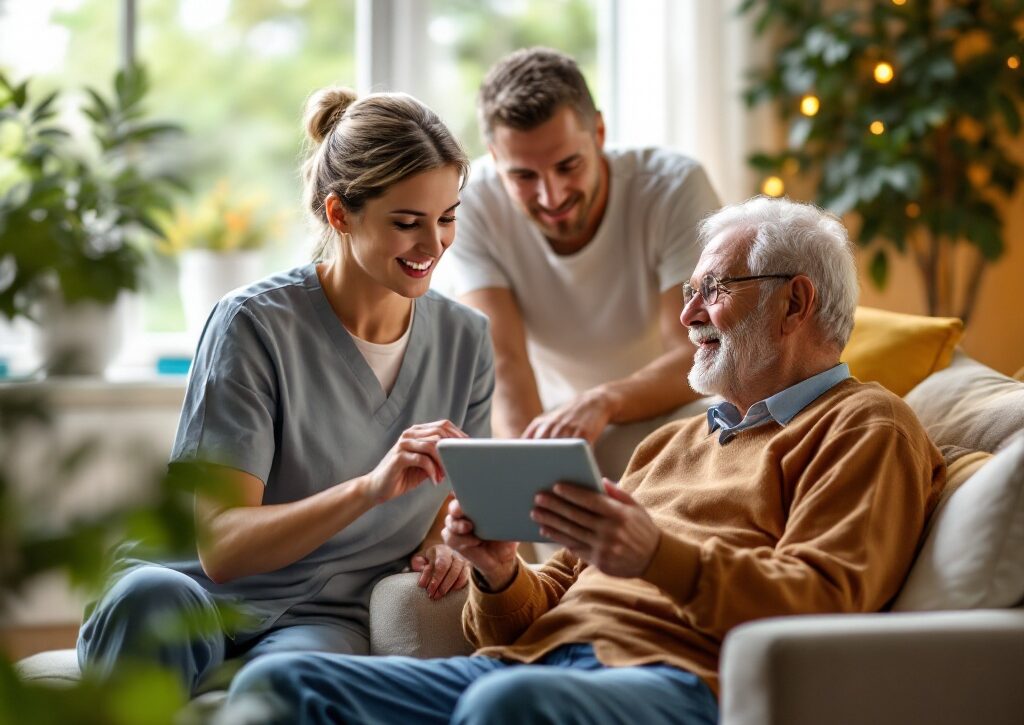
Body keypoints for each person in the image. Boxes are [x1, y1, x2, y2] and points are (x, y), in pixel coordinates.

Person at [223, 196, 946, 724]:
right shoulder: (672, 441)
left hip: (681, 683)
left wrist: (659, 553)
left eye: (713, 290)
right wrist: (499, 570)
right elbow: (535, 609)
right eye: (689, 291)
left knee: (504, 704)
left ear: (796, 303)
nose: (688, 315)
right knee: (279, 685)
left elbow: (827, 603)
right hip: (531, 667)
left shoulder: (866, 425)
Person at [76, 87, 494, 695]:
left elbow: (449, 502)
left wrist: (445, 547)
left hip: (321, 616)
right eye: (407, 223)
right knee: (152, 599)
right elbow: (223, 547)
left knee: (288, 684)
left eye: (448, 217)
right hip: (190, 589)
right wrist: (370, 489)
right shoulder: (251, 324)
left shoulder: (468, 342)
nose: (433, 246)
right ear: (339, 214)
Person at [440, 47, 721, 477]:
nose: (551, 197)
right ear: (495, 159)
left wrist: (603, 401)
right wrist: (529, 480)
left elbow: (693, 350)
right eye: (523, 176)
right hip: (554, 422)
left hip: (676, 410)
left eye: (568, 165)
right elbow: (505, 362)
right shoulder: (471, 201)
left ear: (600, 134)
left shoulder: (673, 186)